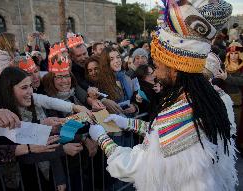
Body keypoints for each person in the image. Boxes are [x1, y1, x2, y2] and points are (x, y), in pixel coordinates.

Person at [89, 0, 237, 190]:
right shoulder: (208, 97)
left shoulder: (179, 116)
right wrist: (127, 123)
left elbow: (133, 166)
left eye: (158, 67)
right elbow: (159, 137)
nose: (156, 74)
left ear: (175, 69)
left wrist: (101, 137)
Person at [216, 41, 243, 151]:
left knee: (236, 124)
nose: (233, 56)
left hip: (237, 101)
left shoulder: (242, 67)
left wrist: (227, 78)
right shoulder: (224, 65)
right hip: (223, 98)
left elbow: (241, 81)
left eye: (236, 53)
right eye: (231, 53)